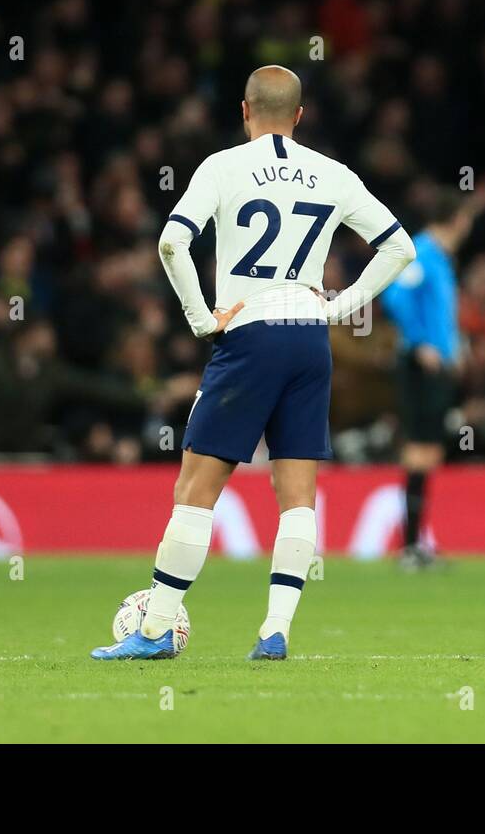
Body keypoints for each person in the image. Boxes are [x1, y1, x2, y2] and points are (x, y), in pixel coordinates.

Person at [92, 65, 415, 661]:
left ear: (244, 110)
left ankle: (157, 630)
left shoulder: (221, 167)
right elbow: (400, 247)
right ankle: (276, 632)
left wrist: (197, 317)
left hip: (250, 332)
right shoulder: (332, 173)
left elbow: (171, 241)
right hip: (309, 339)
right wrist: (340, 307)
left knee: (195, 488)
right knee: (297, 496)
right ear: (299, 116)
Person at [379, 191, 475, 569]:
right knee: (420, 450)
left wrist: (454, 347)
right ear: (457, 219)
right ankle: (411, 547)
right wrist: (421, 344)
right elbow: (396, 298)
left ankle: (416, 544)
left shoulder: (439, 257)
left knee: (429, 451)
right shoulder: (420, 251)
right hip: (421, 367)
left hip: (437, 366)